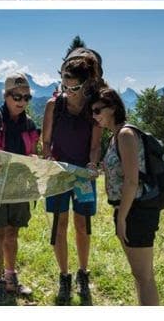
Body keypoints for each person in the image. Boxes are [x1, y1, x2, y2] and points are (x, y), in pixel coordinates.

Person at [41, 55, 103, 305]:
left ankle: (83, 273)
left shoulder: (94, 108)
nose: (68, 91)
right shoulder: (53, 105)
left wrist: (92, 164)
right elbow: (46, 142)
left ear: (86, 85)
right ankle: (64, 275)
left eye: (73, 87)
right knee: (59, 223)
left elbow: (96, 145)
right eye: (64, 84)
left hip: (82, 175)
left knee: (82, 225)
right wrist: (47, 158)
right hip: (57, 172)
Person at [0, 72, 41, 305]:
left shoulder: (30, 124)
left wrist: (33, 158)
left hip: (19, 184)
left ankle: (11, 277)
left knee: (13, 232)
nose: (22, 101)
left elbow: (32, 152)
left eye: (26, 97)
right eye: (16, 96)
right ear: (6, 95)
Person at [93, 87, 161, 305]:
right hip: (129, 210)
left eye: (97, 110)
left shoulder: (125, 135)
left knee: (145, 277)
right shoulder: (116, 136)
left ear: (112, 108)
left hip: (136, 212)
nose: (94, 116)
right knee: (141, 276)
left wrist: (122, 218)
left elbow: (132, 181)